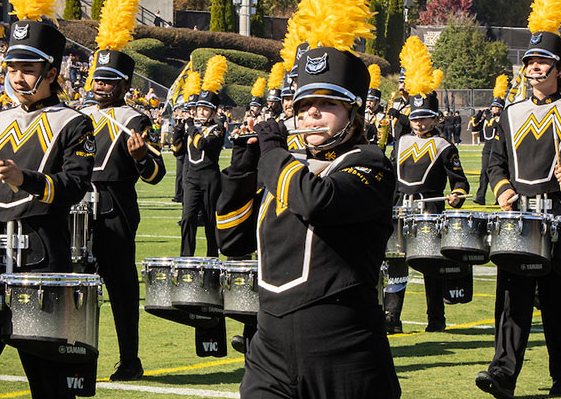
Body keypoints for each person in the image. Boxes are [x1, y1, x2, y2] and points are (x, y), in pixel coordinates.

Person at [213, 40, 400, 398]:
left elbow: (317, 202)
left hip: (343, 346)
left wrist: (272, 154)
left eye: (327, 104)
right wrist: (241, 172)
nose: (312, 113)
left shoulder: (369, 163)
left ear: (353, 112)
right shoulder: (286, 167)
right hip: (269, 346)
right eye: (303, 105)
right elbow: (232, 240)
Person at [0, 16, 95, 398]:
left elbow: (75, 186)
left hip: (43, 252)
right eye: (12, 68)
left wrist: (24, 179)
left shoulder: (75, 123)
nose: (16, 77)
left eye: (28, 69)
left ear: (52, 71)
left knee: (47, 376)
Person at [479, 0, 561, 396]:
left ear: (558, 68)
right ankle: (503, 374)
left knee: (555, 303)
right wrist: (500, 189)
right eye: (529, 61)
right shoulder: (510, 113)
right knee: (511, 299)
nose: (533, 68)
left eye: (542, 62)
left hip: (559, 216)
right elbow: (494, 161)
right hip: (517, 217)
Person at [84, 0, 167, 381]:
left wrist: (139, 157)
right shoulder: (76, 114)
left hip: (114, 206)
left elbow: (156, 174)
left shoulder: (135, 119)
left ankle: (129, 358)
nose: (101, 86)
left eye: (110, 81)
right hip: (76, 207)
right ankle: (77, 359)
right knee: (76, 289)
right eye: (98, 79)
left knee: (120, 287)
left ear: (123, 84)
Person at [385, 69, 467, 334]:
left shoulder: (445, 146)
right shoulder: (400, 142)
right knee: (395, 264)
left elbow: (460, 181)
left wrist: (457, 196)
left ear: (435, 119)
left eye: (425, 118)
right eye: (415, 118)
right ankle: (392, 318)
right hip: (399, 209)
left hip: (429, 211)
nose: (419, 123)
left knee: (431, 266)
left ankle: (436, 320)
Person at [168, 86, 223, 258]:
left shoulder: (218, 129)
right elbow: (177, 150)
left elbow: (203, 144)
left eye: (205, 109)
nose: (200, 113)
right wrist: (178, 130)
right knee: (188, 218)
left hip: (210, 179)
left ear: (213, 113)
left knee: (210, 221)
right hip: (191, 178)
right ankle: (186, 258)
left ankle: (212, 258)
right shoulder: (191, 128)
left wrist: (191, 127)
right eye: (199, 109)